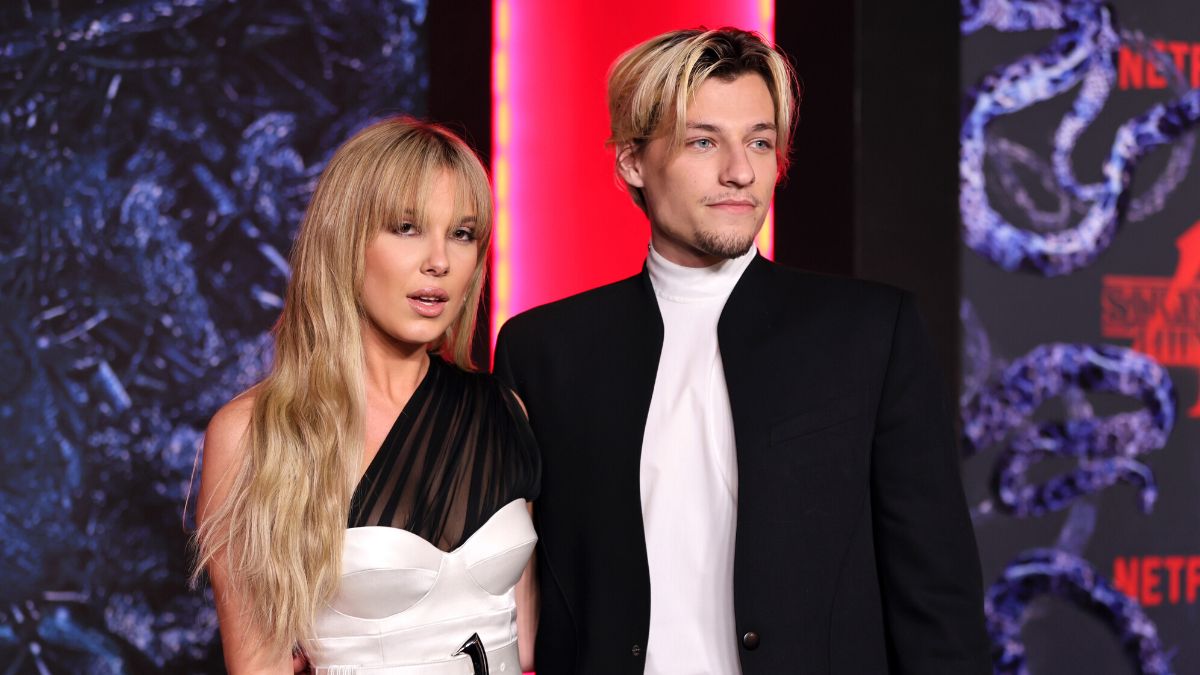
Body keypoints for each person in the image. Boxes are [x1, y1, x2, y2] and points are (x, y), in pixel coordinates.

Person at [493, 28, 990, 674]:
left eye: (759, 141)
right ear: (632, 162)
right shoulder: (544, 350)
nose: (742, 171)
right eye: (704, 141)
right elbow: (505, 587)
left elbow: (937, 597)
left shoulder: (868, 332)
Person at [193, 117, 540, 674]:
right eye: (406, 227)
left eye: (462, 233)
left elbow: (525, 642)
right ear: (345, 240)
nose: (440, 261)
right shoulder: (258, 434)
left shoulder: (503, 411)